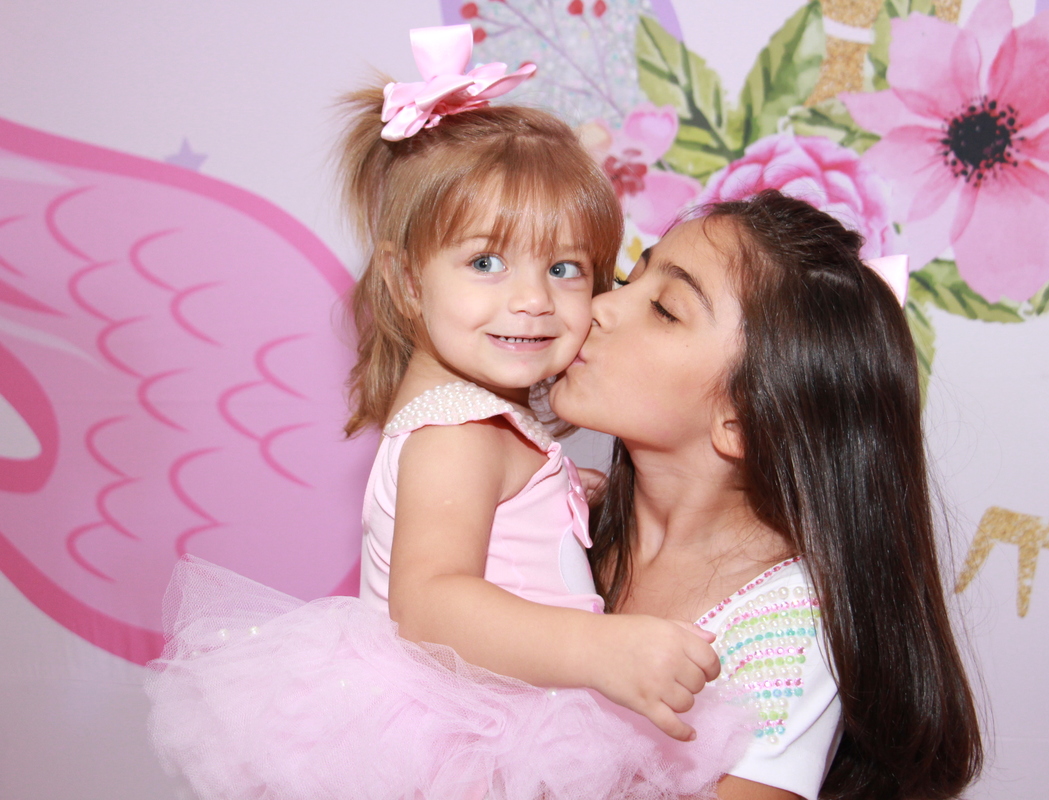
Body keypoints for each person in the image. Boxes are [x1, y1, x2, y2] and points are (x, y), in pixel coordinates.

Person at [145, 25, 747, 800]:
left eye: (565, 267)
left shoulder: (465, 417)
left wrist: (561, 500)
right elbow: (430, 604)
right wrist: (602, 649)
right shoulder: (460, 430)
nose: (532, 299)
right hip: (481, 733)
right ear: (405, 282)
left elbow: (490, 539)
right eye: (485, 262)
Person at [550, 190, 985, 800]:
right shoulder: (559, 516)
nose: (599, 305)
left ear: (744, 420)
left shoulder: (789, 630)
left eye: (666, 310)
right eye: (628, 279)